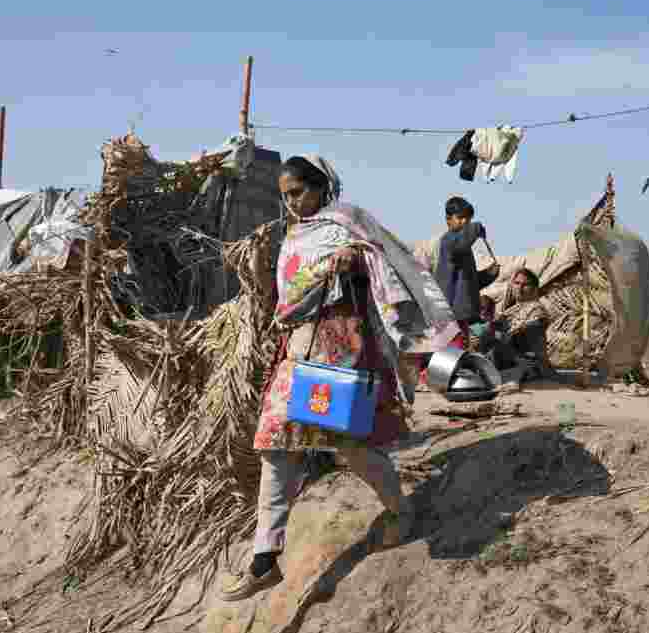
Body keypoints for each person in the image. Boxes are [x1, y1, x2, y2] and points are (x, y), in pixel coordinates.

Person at [220, 156, 460, 602]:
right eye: (285, 195)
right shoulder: (293, 235)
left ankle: (401, 511)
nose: (291, 203)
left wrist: (355, 263)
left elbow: (390, 262)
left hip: (339, 342)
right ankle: (264, 557)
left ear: (320, 186)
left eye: (298, 192)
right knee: (274, 444)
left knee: (348, 444)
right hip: (297, 345)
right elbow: (288, 296)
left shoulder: (350, 221)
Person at [434, 196, 500, 349]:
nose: (465, 222)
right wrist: (476, 228)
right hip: (450, 313)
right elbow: (461, 243)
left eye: (468, 219)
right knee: (452, 353)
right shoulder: (449, 241)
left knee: (460, 351)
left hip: (461, 315)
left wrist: (489, 274)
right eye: (461, 218)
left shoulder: (464, 249)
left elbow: (470, 282)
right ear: (448, 219)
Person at [486, 267, 552, 379]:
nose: (520, 288)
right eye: (517, 283)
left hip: (527, 362)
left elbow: (528, 333)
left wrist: (495, 334)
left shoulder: (536, 309)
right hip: (509, 357)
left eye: (525, 285)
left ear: (534, 289)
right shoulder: (511, 310)